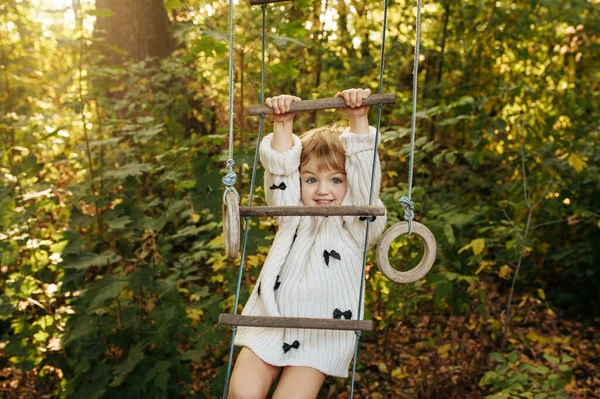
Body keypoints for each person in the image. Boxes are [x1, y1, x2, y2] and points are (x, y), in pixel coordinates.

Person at [229, 88, 386, 399]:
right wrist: (283, 123)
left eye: (336, 180)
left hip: (321, 335)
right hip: (270, 320)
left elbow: (366, 180)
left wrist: (358, 118)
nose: (323, 191)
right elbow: (280, 177)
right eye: (311, 179)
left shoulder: (356, 224)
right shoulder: (292, 215)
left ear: (349, 181)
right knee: (242, 393)